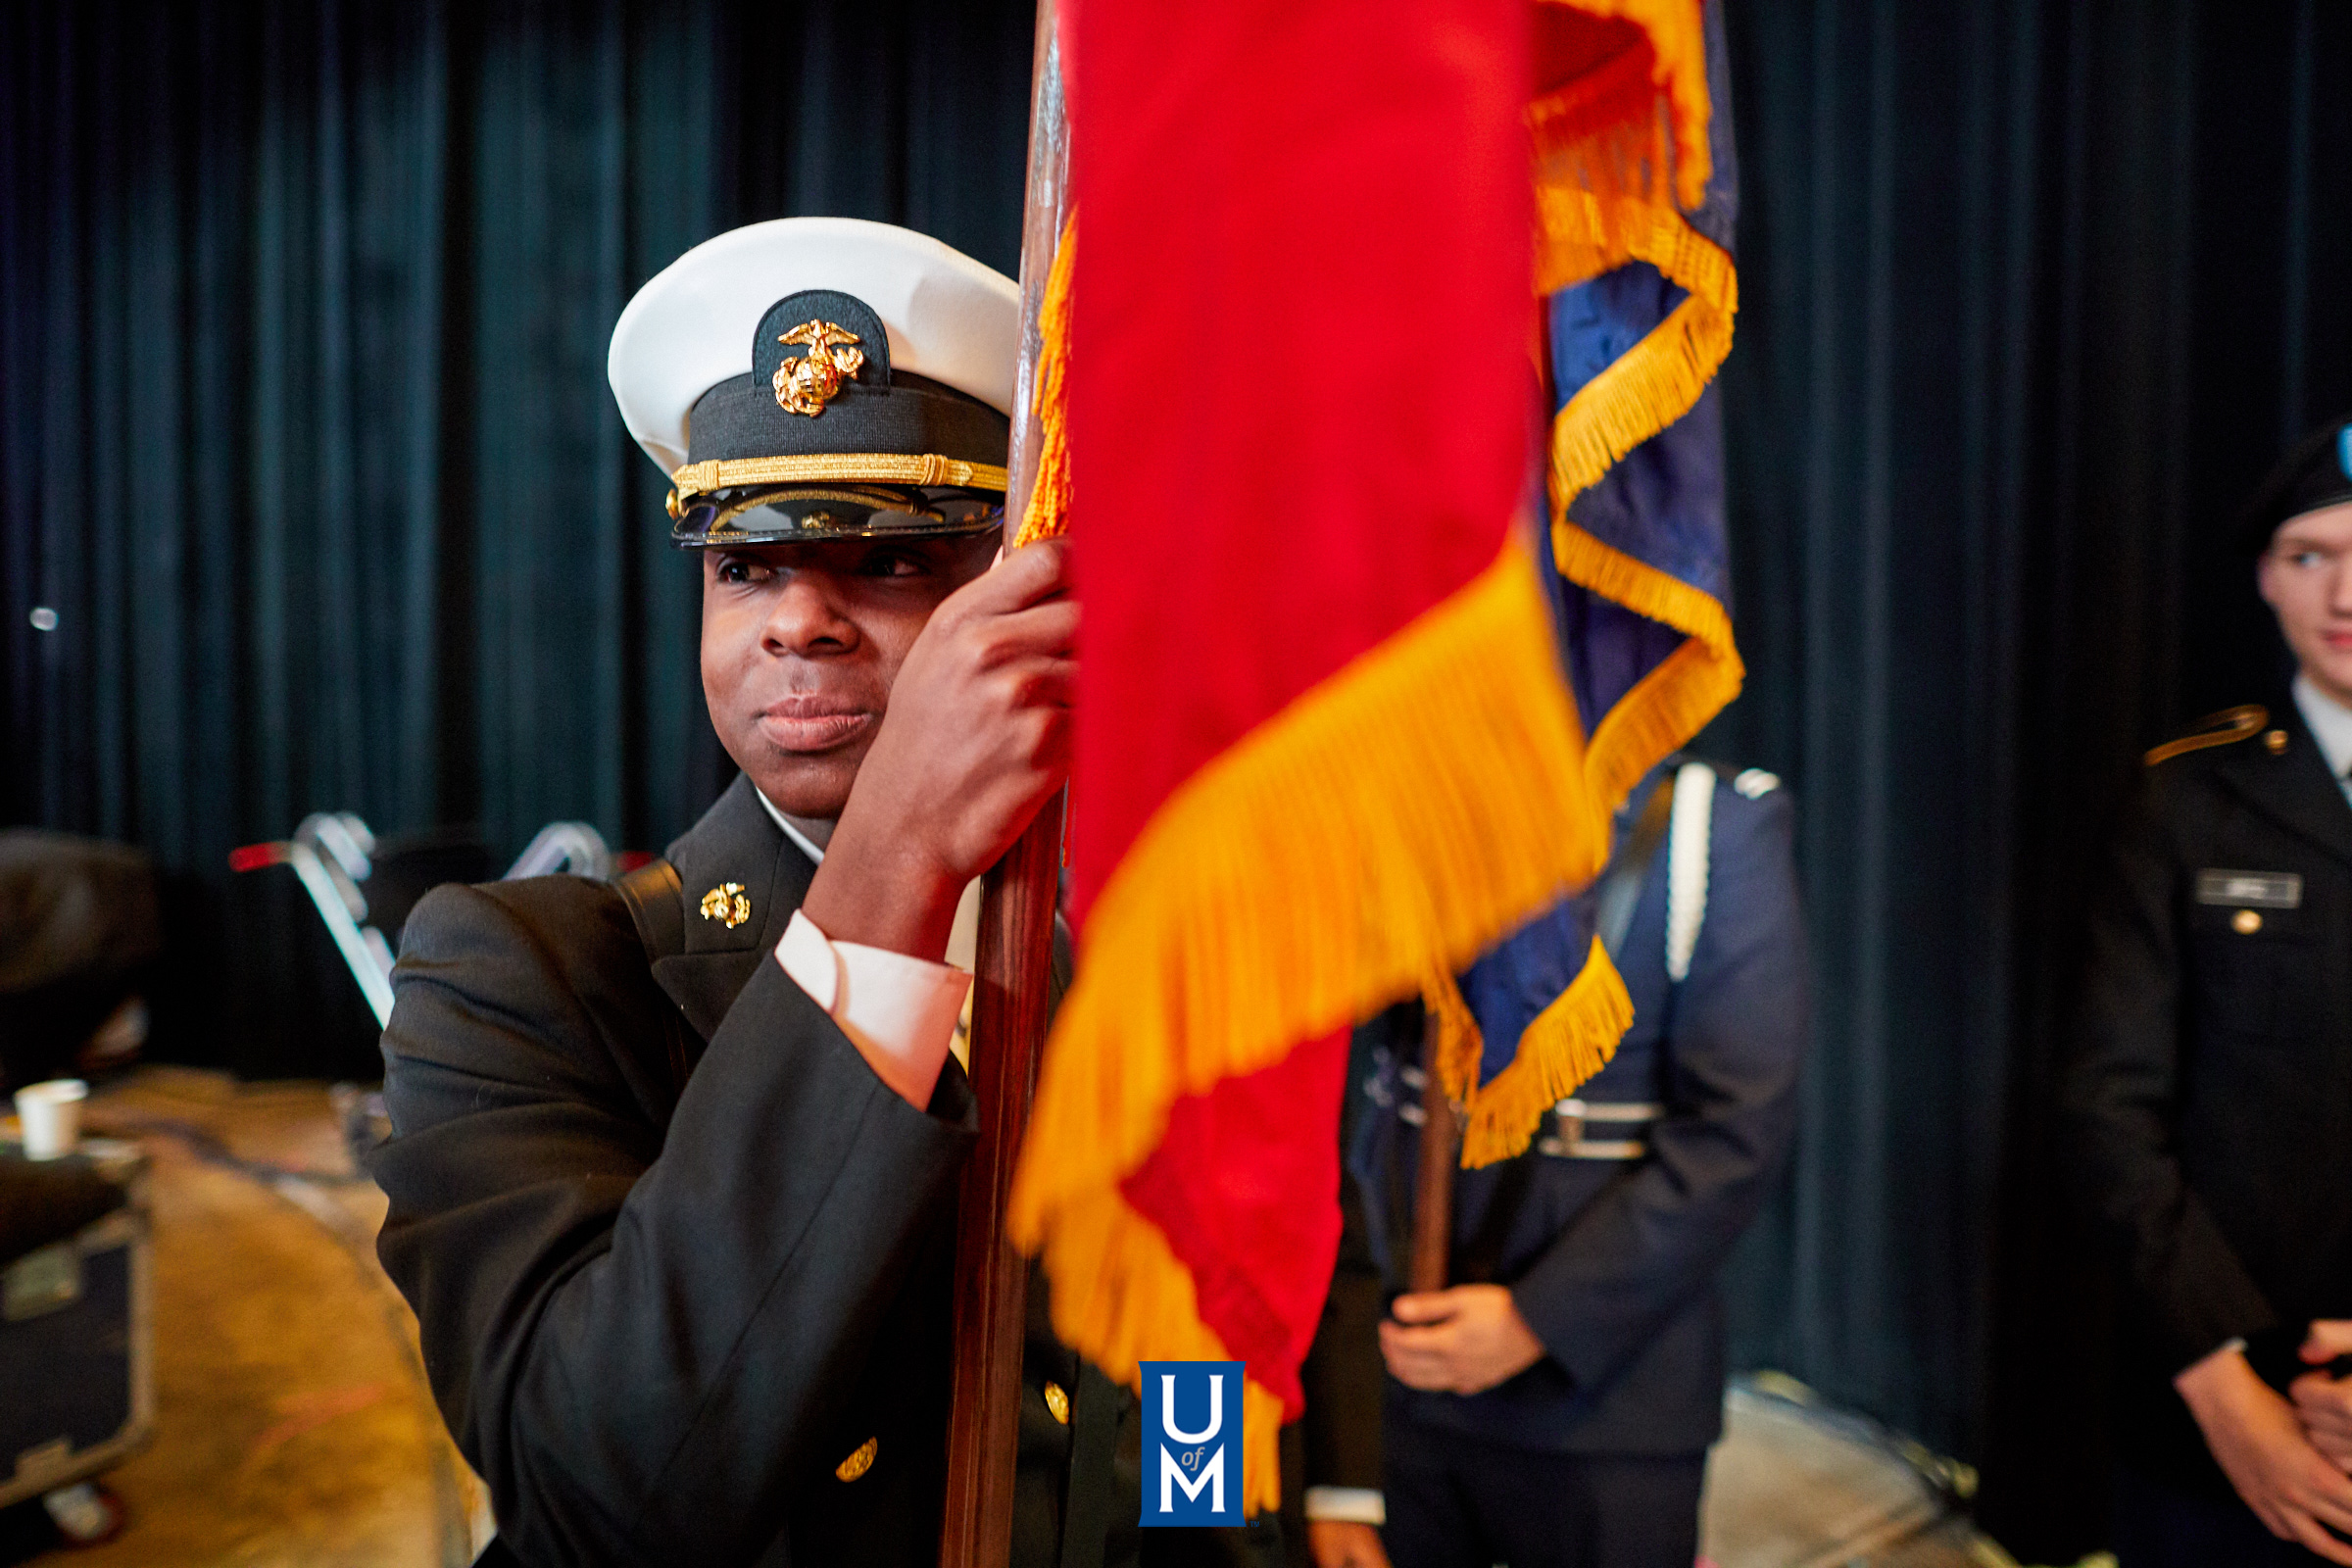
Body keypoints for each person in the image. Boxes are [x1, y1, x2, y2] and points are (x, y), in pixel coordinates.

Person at [371, 219, 1272, 1568]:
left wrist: (1212, 1537)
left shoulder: (1120, 949)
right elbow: (597, 1494)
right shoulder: (517, 972)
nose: (796, 620)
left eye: (893, 560)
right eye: (743, 567)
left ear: (1014, 594)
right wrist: (893, 859)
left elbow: (1183, 1330)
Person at [1293, 754, 1808, 1568]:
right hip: (1391, 1375)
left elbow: (1733, 1132)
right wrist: (1338, 1461)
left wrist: (1538, 1319)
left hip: (1602, 1402)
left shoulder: (1706, 827)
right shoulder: (1407, 792)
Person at [2061, 413, 2352, 1568]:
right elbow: (2107, 1110)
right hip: (2216, 1409)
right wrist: (2226, 1384)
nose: (2344, 593)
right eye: (2310, 555)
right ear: (2267, 579)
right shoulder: (2183, 802)